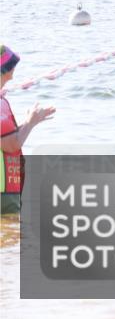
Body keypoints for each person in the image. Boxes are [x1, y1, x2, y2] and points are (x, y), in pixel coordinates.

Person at [1, 45, 56, 214]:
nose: (12, 75)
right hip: (4, 191)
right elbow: (11, 144)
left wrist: (29, 122)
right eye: (11, 68)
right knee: (9, 237)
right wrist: (30, 123)